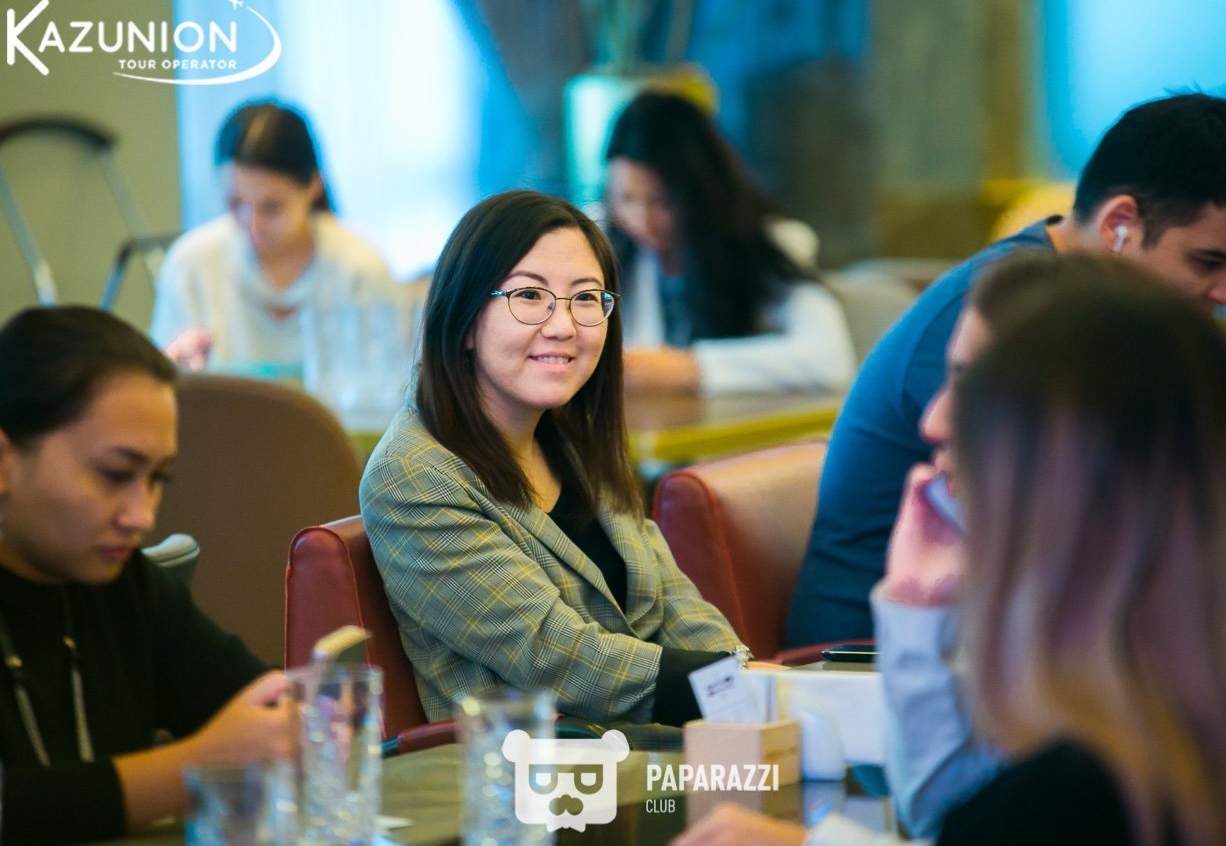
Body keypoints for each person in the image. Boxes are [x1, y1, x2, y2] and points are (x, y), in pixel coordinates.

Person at [677, 259, 1226, 845]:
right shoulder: (1202, 690)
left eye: (973, 383)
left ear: (1073, 445)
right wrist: (920, 609)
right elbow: (955, 817)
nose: (933, 420)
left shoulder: (1084, 785)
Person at [787, 91, 1226, 645]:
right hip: (873, 655)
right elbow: (1068, 533)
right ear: (1120, 224)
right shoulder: (998, 313)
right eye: (1208, 261)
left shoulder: (1093, 309)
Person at [360, 190, 744, 731]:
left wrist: (747, 678)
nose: (564, 325)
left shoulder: (570, 434)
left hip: (654, 743)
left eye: (585, 298)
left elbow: (672, 599)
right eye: (530, 295)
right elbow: (554, 656)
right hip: (548, 765)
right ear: (465, 319)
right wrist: (728, 689)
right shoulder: (414, 475)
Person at [0, 306, 289, 844]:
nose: (142, 516)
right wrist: (190, 770)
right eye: (115, 475)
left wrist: (292, 717)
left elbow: (247, 698)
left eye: (158, 480)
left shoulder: (121, 584)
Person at [604, 91, 856, 395]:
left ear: (701, 191)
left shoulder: (765, 244)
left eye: (662, 201)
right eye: (626, 198)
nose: (642, 220)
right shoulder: (612, 248)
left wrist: (690, 367)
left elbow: (830, 360)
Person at [150, 100, 398, 374]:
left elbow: (390, 384)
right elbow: (160, 384)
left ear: (313, 185)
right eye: (235, 204)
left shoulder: (359, 269)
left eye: (272, 207)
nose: (252, 225)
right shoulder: (192, 265)